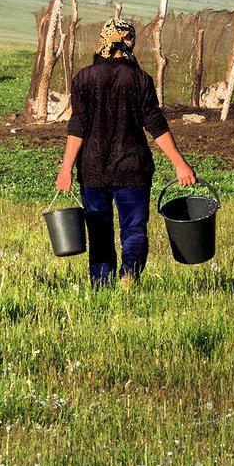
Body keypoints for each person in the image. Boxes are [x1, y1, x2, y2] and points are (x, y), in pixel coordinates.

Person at [53, 17, 197, 289]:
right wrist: (181, 164)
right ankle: (129, 276)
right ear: (130, 41)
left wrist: (65, 169)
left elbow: (78, 125)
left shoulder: (83, 78)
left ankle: (102, 287)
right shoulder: (140, 79)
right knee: (134, 231)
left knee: (99, 233)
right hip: (133, 170)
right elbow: (155, 124)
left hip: (93, 170)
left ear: (103, 41)